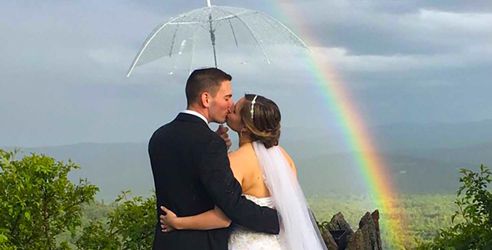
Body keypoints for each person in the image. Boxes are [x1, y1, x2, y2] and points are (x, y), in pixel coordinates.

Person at [160, 94, 327, 250]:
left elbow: (222, 219)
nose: (229, 108)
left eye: (233, 110)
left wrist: (177, 223)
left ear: (245, 128)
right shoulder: (284, 157)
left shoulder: (235, 161)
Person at [148, 69, 280, 250]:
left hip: (166, 242)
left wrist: (217, 147)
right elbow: (231, 205)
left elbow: (187, 175)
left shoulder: (159, 137)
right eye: (227, 98)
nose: (230, 105)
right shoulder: (210, 144)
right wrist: (278, 219)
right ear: (206, 99)